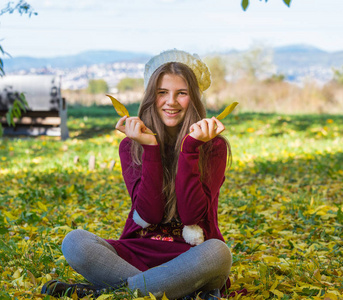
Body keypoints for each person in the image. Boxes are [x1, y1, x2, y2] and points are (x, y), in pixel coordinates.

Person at [41, 49, 232, 300]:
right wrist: (150, 148)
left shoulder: (213, 147)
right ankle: (173, 293)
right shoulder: (131, 146)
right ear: (151, 97)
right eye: (162, 92)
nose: (171, 102)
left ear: (193, 98)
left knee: (219, 253)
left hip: (191, 258)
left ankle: (107, 292)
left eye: (181, 93)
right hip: (137, 252)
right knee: (75, 242)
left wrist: (190, 148)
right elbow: (149, 213)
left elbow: (191, 215)